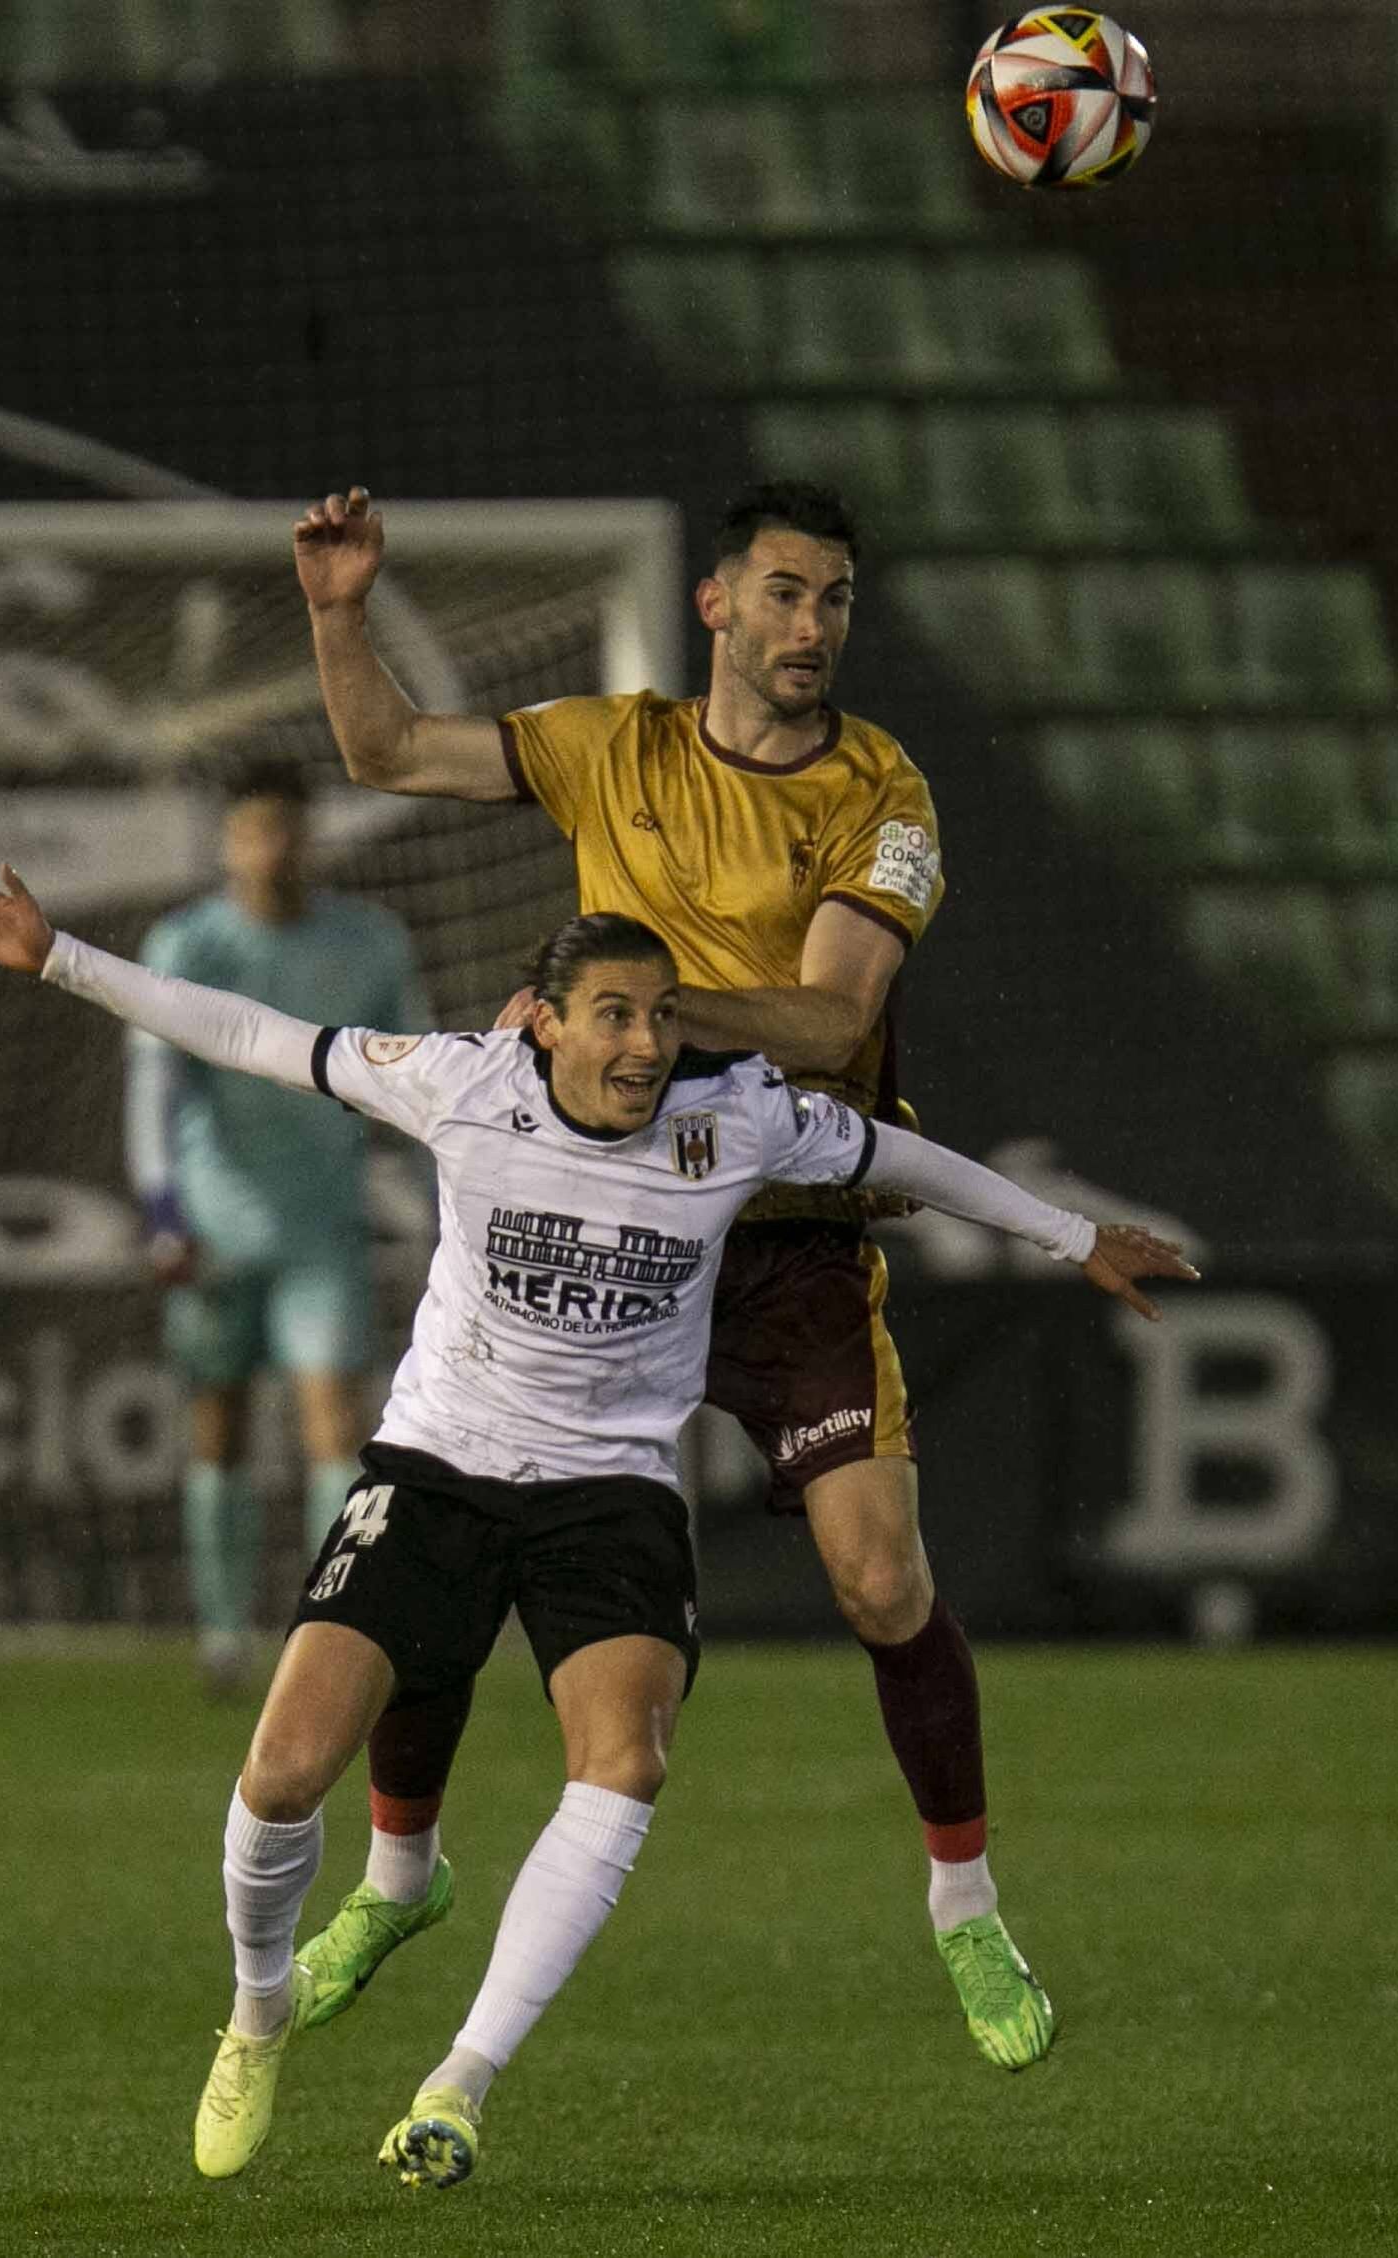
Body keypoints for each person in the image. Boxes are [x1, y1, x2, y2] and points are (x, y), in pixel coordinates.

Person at [0, 863, 1196, 2188]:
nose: (645, 1043)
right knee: (284, 1774)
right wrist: (57, 951)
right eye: (615, 1015)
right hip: (439, 1468)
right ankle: (256, 2009)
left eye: (660, 1015)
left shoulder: (737, 1117)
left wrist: (1069, 1232)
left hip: (612, 1492)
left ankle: (460, 2080)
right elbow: (249, 1032)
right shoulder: (466, 1083)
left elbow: (900, 1157)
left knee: (624, 1761)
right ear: (546, 1020)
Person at [291, 477, 1058, 2069]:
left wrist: (620, 1002)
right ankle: (398, 1874)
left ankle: (966, 1900)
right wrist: (339, 611)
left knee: (878, 1576)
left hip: (778, 1243)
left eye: (836, 599)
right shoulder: (612, 742)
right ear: (715, 604)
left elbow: (835, 1022)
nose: (811, 626)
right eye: (784, 593)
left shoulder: (882, 793)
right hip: (598, 1223)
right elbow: (382, 753)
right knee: (450, 1534)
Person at [126, 756, 431, 1694]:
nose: (274, 850)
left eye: (289, 829)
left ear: (313, 836)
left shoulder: (371, 942)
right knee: (217, 1424)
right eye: (256, 831)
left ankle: (324, 1635)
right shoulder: (187, 945)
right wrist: (163, 1208)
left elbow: (421, 1081)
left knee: (334, 1426)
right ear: (228, 841)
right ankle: (223, 1636)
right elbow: (153, 1082)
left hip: (322, 1228)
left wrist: (441, 1201)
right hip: (216, 1236)